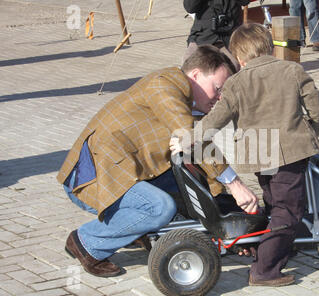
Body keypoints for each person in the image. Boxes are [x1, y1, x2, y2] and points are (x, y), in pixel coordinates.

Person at [57, 45, 259, 278]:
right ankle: (86, 243)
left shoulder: (188, 101)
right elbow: (190, 137)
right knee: (160, 207)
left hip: (126, 173)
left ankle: (137, 231)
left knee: (189, 197)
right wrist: (236, 185)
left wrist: (232, 226)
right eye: (217, 88)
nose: (220, 97)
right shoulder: (165, 85)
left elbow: (203, 167)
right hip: (92, 179)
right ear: (195, 75)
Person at [171, 23, 319, 287]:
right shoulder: (292, 69)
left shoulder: (235, 83)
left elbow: (214, 121)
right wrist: (311, 131)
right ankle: (265, 269)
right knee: (288, 211)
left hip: (258, 152)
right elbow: (316, 105)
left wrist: (188, 139)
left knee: (275, 202)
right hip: (289, 152)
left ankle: (279, 245)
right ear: (269, 45)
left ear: (239, 57)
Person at [182, 0, 251, 71]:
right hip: (204, 36)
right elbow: (190, 7)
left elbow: (244, 2)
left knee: (232, 67)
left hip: (230, 37)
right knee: (190, 67)